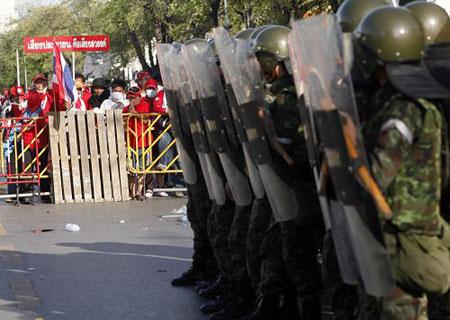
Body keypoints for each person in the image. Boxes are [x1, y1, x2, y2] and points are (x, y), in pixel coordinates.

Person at [355, 6, 450, 319]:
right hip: (398, 238)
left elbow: (377, 176)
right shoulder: (400, 102)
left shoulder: (403, 111)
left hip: (402, 242)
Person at [22, 74, 58, 203]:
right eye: (37, 82)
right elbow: (25, 103)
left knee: (43, 166)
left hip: (44, 136)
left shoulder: (49, 94)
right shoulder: (31, 94)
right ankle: (26, 193)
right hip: (29, 136)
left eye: (41, 81)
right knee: (27, 167)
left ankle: (44, 193)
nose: (39, 84)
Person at [123, 87, 152, 200]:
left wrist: (135, 113)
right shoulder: (125, 109)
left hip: (143, 142)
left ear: (140, 97)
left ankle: (138, 191)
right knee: (131, 169)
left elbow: (147, 119)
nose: (132, 100)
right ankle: (131, 192)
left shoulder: (145, 106)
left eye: (134, 98)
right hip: (130, 143)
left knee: (141, 168)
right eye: (130, 98)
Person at [2, 86, 27, 203]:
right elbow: (4, 123)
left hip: (23, 140)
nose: (19, 99)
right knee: (11, 167)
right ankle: (12, 193)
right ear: (12, 97)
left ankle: (24, 193)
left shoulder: (26, 107)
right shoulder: (8, 108)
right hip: (11, 142)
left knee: (24, 166)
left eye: (21, 96)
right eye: (17, 96)